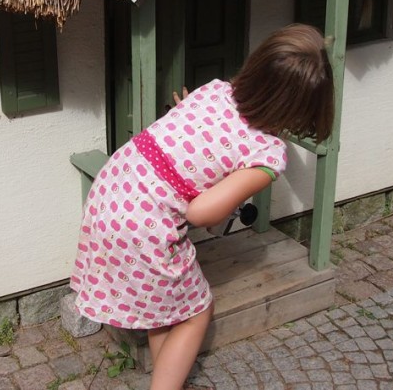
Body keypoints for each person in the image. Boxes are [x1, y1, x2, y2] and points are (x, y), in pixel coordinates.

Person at [70, 23, 336, 390]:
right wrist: (229, 202)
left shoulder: (214, 90)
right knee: (196, 311)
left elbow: (193, 144)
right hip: (145, 222)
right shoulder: (268, 154)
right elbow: (201, 214)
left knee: (166, 309)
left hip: (114, 188)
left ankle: (166, 377)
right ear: (303, 108)